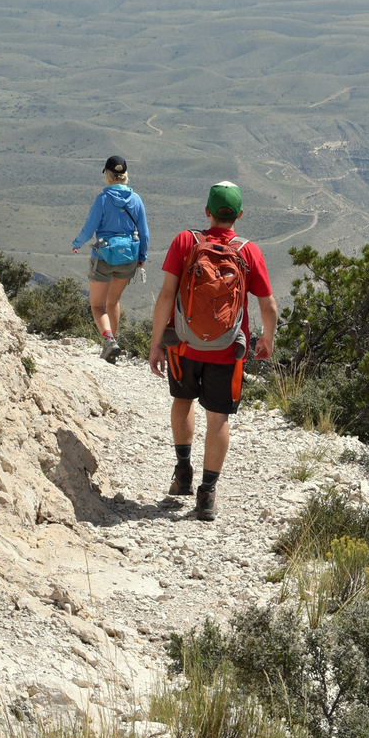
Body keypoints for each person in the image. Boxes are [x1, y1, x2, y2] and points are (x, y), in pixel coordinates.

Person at [149, 181, 277, 521]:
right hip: (227, 350)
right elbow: (269, 306)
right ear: (239, 215)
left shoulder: (185, 241)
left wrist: (156, 344)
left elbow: (166, 296)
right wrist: (267, 340)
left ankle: (183, 473)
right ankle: (207, 494)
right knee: (218, 417)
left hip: (184, 346)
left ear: (207, 212)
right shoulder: (249, 251)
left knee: (182, 400)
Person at [71, 155, 150, 363]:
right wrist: (142, 256)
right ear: (125, 175)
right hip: (128, 258)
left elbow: (90, 228)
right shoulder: (136, 199)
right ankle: (113, 344)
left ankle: (108, 341)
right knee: (113, 301)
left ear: (107, 175)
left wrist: (77, 243)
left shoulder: (103, 199)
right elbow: (144, 232)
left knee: (97, 305)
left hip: (104, 257)